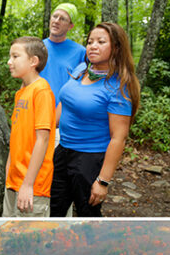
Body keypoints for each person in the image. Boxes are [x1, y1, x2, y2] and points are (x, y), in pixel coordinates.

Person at [51, 22, 139, 217]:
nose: (93, 46)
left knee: (87, 215)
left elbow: (119, 138)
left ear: (116, 48)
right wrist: (47, 131)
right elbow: (65, 103)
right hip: (62, 151)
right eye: (90, 42)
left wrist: (102, 181)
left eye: (101, 42)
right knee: (54, 209)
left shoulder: (118, 87)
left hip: (89, 159)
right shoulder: (82, 69)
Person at [3, 36, 56, 217]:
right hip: (13, 182)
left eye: (15, 56)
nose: (9, 62)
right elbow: (17, 136)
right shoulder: (21, 93)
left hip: (32, 186)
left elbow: (42, 139)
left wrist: (28, 184)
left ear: (34, 61)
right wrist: (8, 172)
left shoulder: (41, 90)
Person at [39, 3, 86, 106]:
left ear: (70, 26)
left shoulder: (81, 52)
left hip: (64, 113)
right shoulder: (37, 47)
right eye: (55, 16)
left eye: (63, 19)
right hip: (37, 109)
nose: (56, 21)